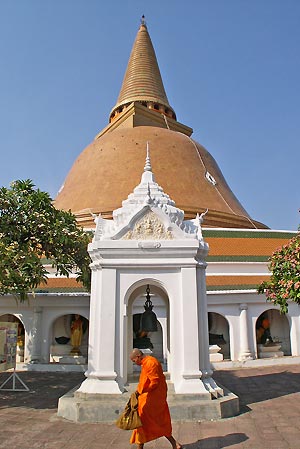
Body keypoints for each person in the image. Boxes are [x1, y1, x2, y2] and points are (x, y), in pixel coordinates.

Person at [129, 348, 182, 449]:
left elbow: (154, 382)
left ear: (138, 357)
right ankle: (175, 444)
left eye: (134, 361)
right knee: (157, 422)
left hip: (152, 399)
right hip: (151, 397)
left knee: (141, 422)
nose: (134, 363)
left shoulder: (150, 363)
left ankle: (140, 447)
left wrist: (141, 391)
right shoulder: (146, 362)